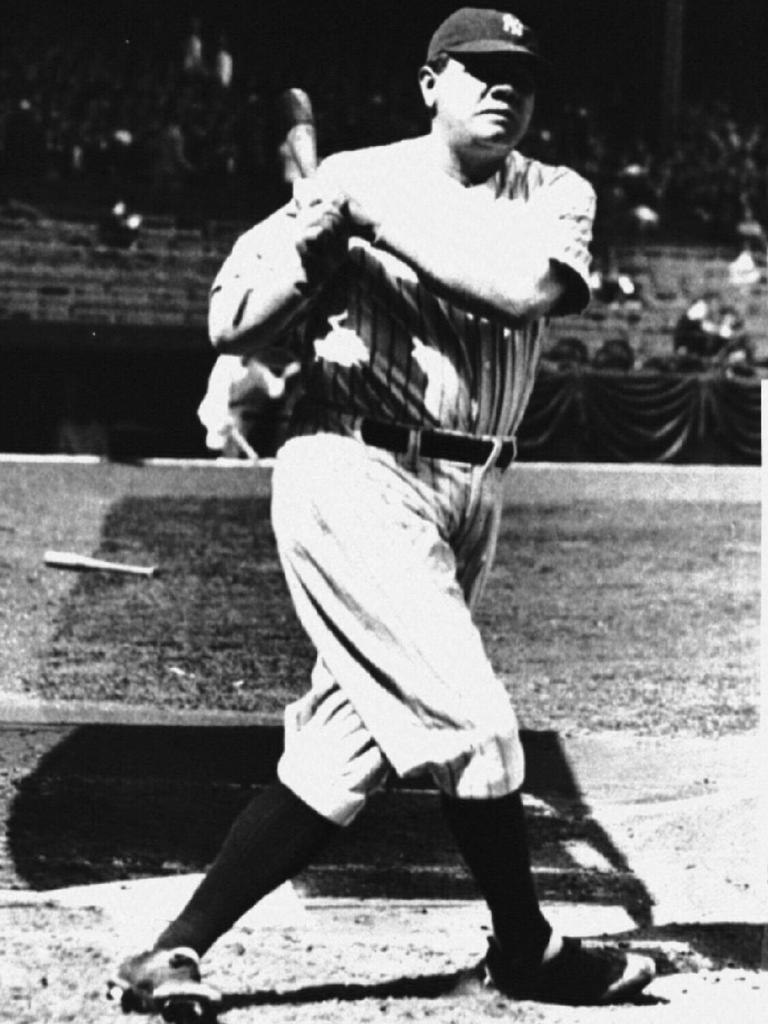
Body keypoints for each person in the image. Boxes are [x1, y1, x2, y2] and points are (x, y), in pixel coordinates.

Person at [110, 7, 656, 1009]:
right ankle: (525, 948)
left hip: (472, 487)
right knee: (478, 724)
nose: (504, 89)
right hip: (352, 470)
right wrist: (313, 249)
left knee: (343, 750)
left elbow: (526, 288)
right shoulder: (353, 177)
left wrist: (366, 221)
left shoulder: (553, 192)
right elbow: (229, 323)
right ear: (427, 83)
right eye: (479, 70)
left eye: (520, 76)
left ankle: (171, 950)